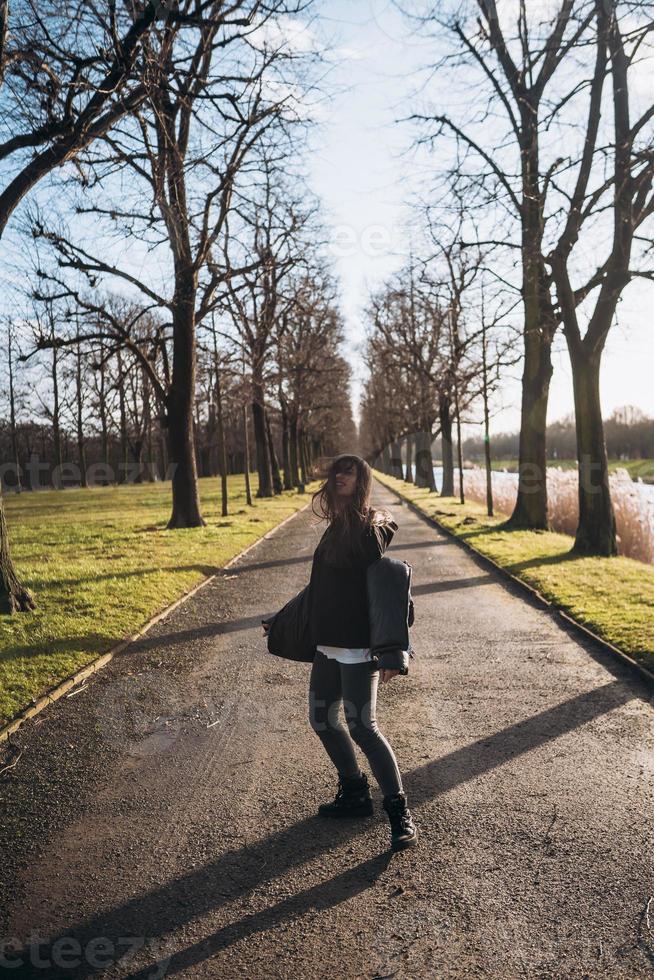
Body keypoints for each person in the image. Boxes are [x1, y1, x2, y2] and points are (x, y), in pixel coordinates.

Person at [264, 453, 417, 852]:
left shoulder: (370, 528)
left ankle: (399, 813)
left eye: (349, 472)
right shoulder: (334, 528)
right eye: (336, 472)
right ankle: (353, 792)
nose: (340, 477)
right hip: (328, 646)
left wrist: (391, 652)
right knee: (321, 718)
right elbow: (320, 589)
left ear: (362, 480)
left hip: (358, 647)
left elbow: (391, 590)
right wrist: (282, 618)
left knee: (363, 726)